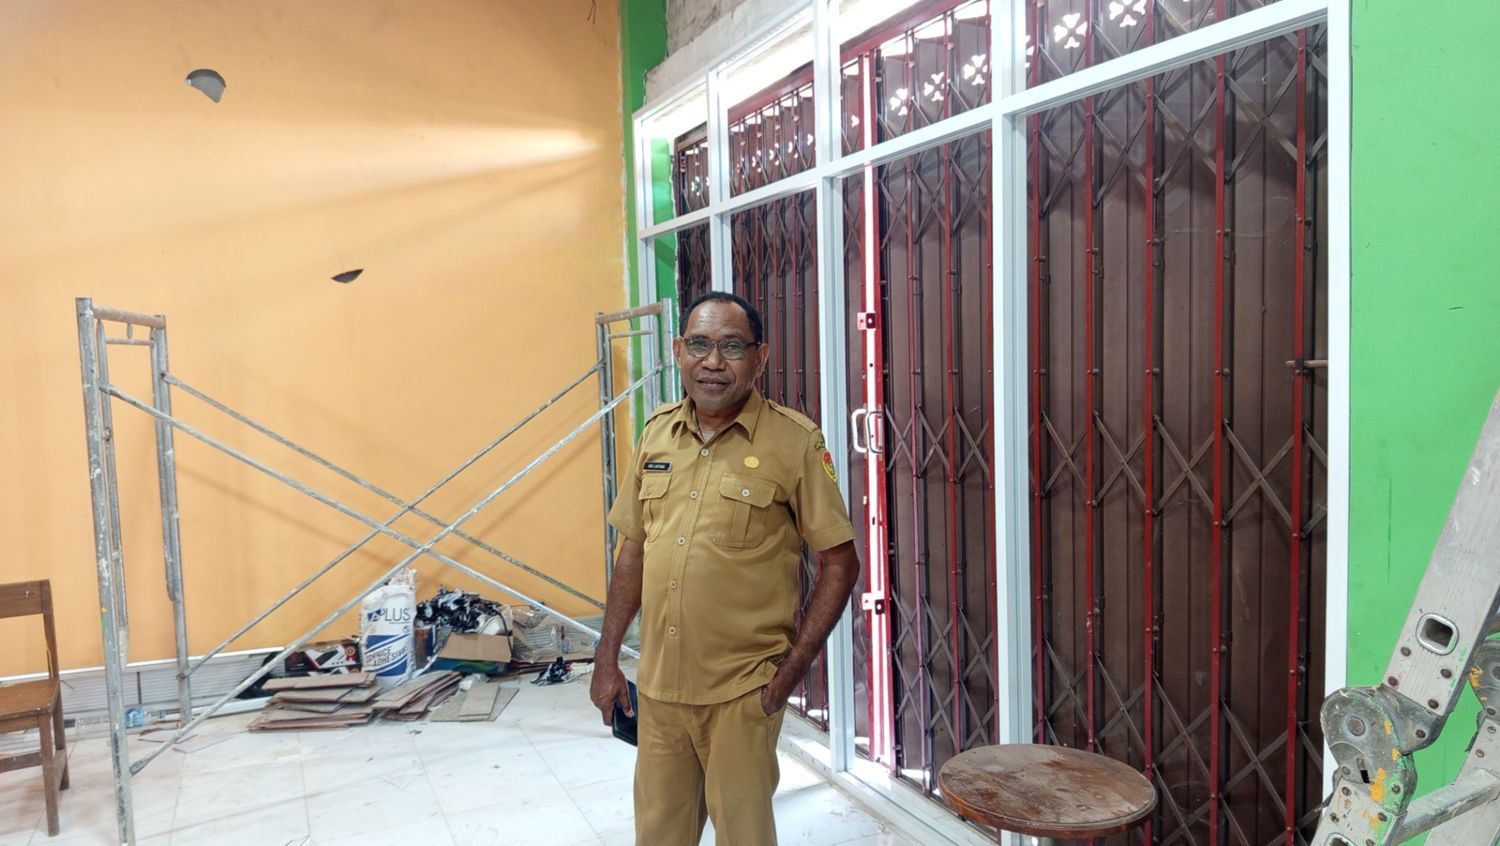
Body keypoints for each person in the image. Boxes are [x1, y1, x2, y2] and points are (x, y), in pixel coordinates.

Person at [590, 291, 861, 846]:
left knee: (744, 837)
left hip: (742, 693)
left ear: (760, 357)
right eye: (700, 344)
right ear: (678, 351)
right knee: (659, 836)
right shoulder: (656, 433)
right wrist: (607, 657)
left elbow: (840, 562)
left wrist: (788, 675)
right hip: (660, 691)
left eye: (732, 347)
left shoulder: (795, 442)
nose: (713, 362)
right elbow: (633, 551)